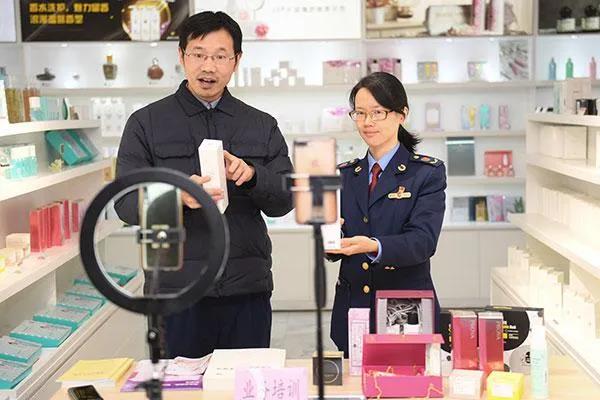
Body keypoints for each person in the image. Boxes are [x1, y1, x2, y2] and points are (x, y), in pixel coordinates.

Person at [114, 11, 293, 358]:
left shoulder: (261, 124)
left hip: (246, 290)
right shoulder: (146, 123)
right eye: (198, 54)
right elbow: (125, 203)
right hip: (175, 291)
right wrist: (176, 197)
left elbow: (285, 199)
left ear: (236, 60)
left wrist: (253, 175)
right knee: (179, 385)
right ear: (181, 56)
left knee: (245, 383)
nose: (208, 66)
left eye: (220, 56)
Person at [327, 72, 446, 354]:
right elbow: (334, 244)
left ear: (401, 114)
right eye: (360, 113)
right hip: (353, 306)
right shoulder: (345, 175)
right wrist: (329, 238)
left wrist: (373, 246)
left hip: (404, 307)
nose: (367, 122)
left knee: (406, 377)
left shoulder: (425, 173)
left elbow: (423, 242)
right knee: (354, 378)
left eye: (377, 112)